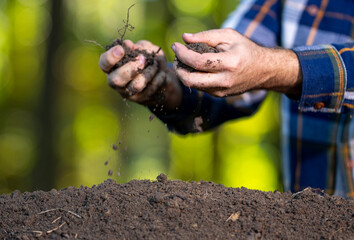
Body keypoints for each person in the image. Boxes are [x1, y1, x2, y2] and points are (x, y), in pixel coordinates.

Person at [99, 0, 354, 198]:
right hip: (309, 215)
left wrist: (277, 67)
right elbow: (241, 52)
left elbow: (258, 61)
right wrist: (168, 84)